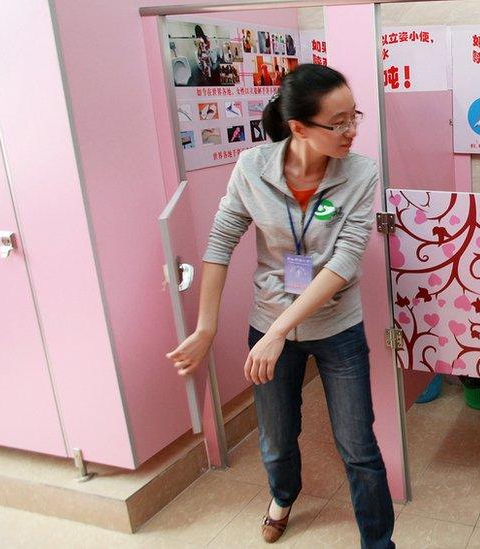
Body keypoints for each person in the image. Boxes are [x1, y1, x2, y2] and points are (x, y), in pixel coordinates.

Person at [165, 64, 395, 547]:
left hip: (336, 326)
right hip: (270, 322)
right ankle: (283, 496)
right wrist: (206, 327)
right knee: (276, 435)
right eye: (339, 123)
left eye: (355, 117)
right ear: (298, 127)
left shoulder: (360, 172)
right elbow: (221, 240)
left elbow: (345, 260)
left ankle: (378, 542)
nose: (352, 131)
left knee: (358, 445)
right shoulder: (252, 167)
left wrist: (276, 332)